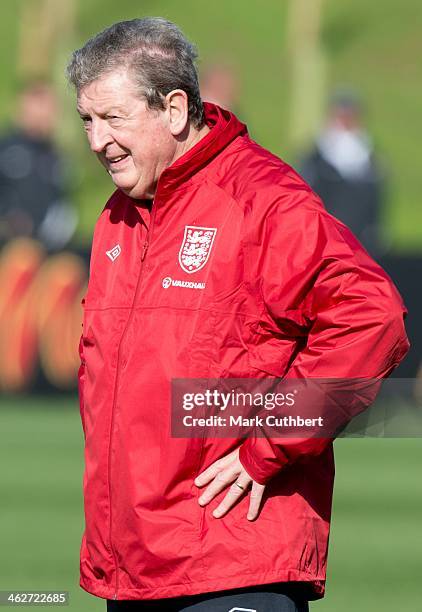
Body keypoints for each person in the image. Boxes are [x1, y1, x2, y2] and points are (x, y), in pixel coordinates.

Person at [67, 18, 409, 611]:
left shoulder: (263, 200)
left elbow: (372, 318)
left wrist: (267, 445)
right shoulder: (117, 217)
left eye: (113, 118)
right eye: (87, 121)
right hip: (134, 567)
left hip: (232, 564)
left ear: (175, 109)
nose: (97, 140)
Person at [298, 89, 385, 258]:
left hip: (359, 244)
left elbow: (375, 201)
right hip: (324, 243)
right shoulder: (315, 158)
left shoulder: (370, 159)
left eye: (350, 118)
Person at [0, 82, 77, 250]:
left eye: (51, 110)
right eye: (41, 108)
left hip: (48, 248)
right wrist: (8, 217)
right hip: (10, 249)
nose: (47, 116)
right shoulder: (6, 148)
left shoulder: (54, 155)